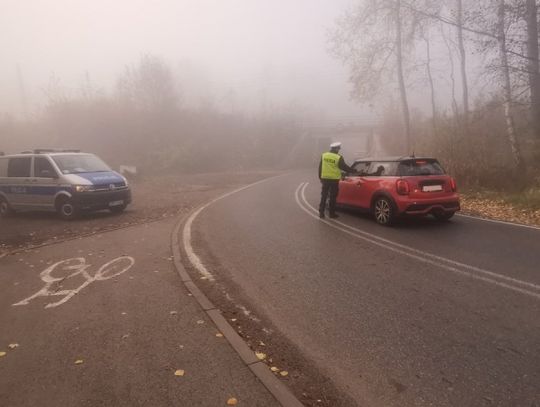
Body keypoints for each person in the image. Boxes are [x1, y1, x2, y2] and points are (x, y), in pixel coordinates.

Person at [318, 141, 354, 219]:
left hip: (325, 179)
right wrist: (354, 171)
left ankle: (321, 213)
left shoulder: (324, 155)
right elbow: (344, 167)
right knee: (332, 197)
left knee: (324, 196)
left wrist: (320, 177)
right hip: (334, 180)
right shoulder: (338, 157)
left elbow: (320, 167)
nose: (339, 149)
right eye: (338, 148)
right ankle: (332, 214)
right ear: (336, 148)